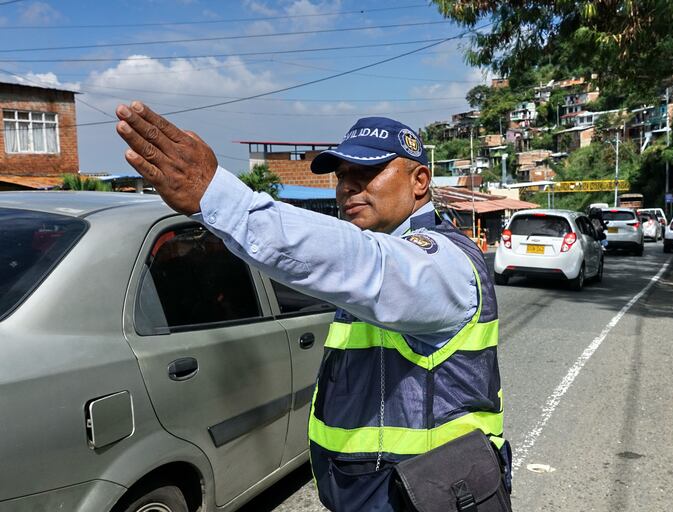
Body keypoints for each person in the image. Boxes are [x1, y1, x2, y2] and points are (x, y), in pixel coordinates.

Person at [115, 102, 510, 511]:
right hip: (376, 493)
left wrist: (221, 198)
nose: (348, 187)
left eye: (367, 172)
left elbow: (362, 263)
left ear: (420, 181)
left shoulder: (440, 259)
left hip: (432, 495)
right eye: (341, 176)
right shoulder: (383, 248)